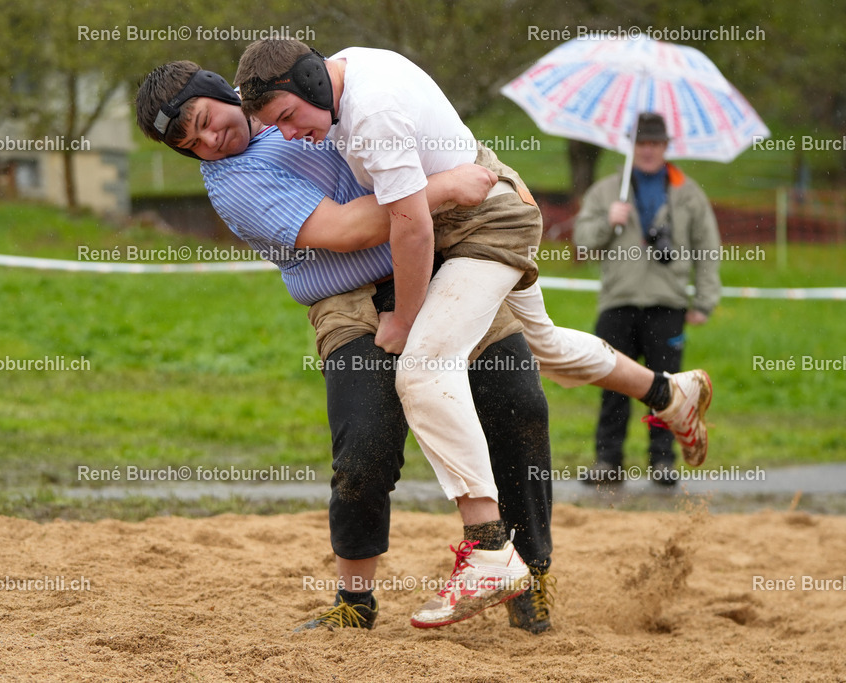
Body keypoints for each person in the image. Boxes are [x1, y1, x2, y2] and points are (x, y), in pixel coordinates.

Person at [234, 40, 712, 621]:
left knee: (423, 370)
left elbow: (412, 229)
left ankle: (488, 550)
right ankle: (669, 392)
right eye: (275, 125)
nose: (287, 134)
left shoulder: (371, 113)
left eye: (288, 117)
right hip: (480, 207)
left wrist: (404, 320)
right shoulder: (345, 68)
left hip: (483, 227)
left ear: (312, 81)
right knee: (548, 346)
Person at [135, 61, 555, 632]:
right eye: (190, 145)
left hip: (433, 262)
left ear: (220, 93)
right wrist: (443, 188)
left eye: (206, 121)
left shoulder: (292, 91)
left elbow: (401, 126)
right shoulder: (231, 181)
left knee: (519, 407)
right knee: (365, 445)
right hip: (348, 299)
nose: (209, 143)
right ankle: (354, 602)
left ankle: (530, 574)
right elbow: (346, 230)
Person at [573, 112, 720, 485]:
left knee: (667, 387)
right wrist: (609, 221)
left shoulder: (688, 193)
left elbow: (708, 248)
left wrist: (704, 301)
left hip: (667, 304)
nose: (648, 150)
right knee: (613, 384)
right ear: (630, 146)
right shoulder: (607, 191)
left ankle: (662, 461)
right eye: (641, 143)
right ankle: (608, 461)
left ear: (666, 146)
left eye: (655, 143)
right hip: (617, 303)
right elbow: (583, 242)